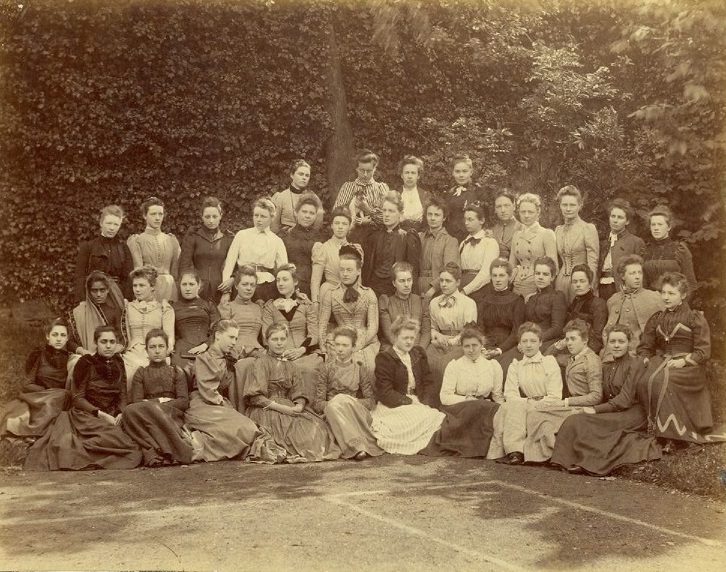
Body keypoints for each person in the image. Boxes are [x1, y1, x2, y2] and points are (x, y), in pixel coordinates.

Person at [25, 326, 142, 471]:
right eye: (103, 342)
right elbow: (77, 398)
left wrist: (120, 412)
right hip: (87, 415)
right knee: (118, 442)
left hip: (113, 414)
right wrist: (100, 414)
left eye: (112, 342)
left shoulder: (118, 362)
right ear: (96, 343)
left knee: (133, 446)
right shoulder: (86, 362)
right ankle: (84, 452)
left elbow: (122, 394)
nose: (108, 346)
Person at [550, 324, 661, 475]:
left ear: (629, 343)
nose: (616, 346)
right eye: (612, 342)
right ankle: (565, 460)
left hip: (633, 413)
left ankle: (589, 463)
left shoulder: (636, 364)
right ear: (607, 343)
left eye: (621, 342)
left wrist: (595, 409)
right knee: (575, 419)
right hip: (613, 409)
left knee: (595, 422)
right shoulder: (608, 365)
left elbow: (625, 399)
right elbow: (603, 395)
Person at [635, 272, 725, 445]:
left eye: (671, 293)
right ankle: (656, 430)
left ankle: (674, 433)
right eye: (663, 293)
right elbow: (645, 346)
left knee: (665, 381)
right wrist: (645, 358)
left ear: (683, 295)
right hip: (663, 361)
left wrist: (684, 361)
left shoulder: (694, 318)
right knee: (644, 380)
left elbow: (703, 351)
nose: (666, 297)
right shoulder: (657, 318)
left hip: (689, 367)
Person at [245, 323, 340, 462]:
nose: (279, 343)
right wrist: (282, 408)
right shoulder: (261, 363)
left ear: (287, 340)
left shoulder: (291, 365)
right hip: (267, 409)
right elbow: (256, 398)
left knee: (318, 428)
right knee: (292, 435)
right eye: (275, 339)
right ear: (267, 341)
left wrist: (299, 406)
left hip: (289, 406)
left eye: (282, 339)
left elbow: (298, 391)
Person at [522, 319, 603, 463]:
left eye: (573, 339)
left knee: (538, 414)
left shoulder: (591, 361)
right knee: (537, 413)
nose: (569, 343)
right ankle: (547, 454)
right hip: (570, 406)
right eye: (567, 339)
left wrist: (566, 402)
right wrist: (560, 344)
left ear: (585, 340)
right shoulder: (571, 358)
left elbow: (596, 396)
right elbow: (547, 356)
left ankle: (549, 455)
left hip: (582, 408)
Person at [184, 320, 263, 462]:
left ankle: (202, 443)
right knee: (246, 429)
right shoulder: (205, 358)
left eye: (236, 338)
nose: (234, 342)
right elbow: (208, 392)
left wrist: (265, 355)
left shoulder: (230, 353)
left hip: (219, 404)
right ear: (218, 335)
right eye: (231, 337)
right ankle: (199, 443)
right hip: (204, 403)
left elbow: (249, 350)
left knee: (247, 429)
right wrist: (226, 405)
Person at [420, 328, 504, 458]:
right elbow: (445, 397)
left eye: (474, 345)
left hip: (485, 407)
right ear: (462, 347)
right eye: (467, 346)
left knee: (493, 410)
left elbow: (497, 396)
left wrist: (504, 409)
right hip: (459, 409)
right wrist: (467, 399)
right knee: (480, 407)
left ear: (482, 345)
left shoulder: (493, 366)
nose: (471, 350)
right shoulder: (455, 366)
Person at [488, 323, 563, 465]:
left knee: (516, 407)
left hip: (548, 406)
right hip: (526, 405)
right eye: (524, 341)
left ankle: (522, 451)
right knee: (510, 406)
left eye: (533, 341)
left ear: (540, 343)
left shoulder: (549, 362)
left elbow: (555, 396)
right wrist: (527, 403)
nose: (529, 345)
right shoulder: (516, 365)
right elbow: (510, 394)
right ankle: (515, 451)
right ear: (520, 344)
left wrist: (531, 403)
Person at [370, 317, 445, 454]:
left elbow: (428, 382)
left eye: (412, 337)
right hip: (394, 405)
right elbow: (385, 393)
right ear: (395, 336)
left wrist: (425, 402)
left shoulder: (419, 353)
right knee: (429, 418)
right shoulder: (385, 358)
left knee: (434, 416)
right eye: (405, 338)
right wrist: (410, 402)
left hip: (418, 401)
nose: (409, 341)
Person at [121, 329, 194, 466]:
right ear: (147, 351)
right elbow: (136, 402)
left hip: (169, 414)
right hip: (147, 413)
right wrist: (158, 402)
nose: (157, 351)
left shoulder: (176, 371)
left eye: (161, 346)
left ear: (167, 349)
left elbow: (184, 402)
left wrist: (153, 404)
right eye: (152, 347)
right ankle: (163, 450)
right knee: (129, 411)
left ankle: (158, 451)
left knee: (144, 412)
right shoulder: (141, 373)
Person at [313, 327, 384, 460]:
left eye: (345, 345)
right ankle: (357, 447)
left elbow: (370, 402)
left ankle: (353, 447)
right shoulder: (326, 369)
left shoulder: (359, 369)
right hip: (332, 412)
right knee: (334, 406)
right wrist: (336, 402)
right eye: (337, 345)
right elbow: (318, 404)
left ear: (353, 347)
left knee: (341, 400)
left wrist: (346, 400)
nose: (340, 349)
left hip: (354, 411)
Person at [0, 319, 72, 445]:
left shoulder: (70, 359)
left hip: (59, 397)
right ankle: (29, 432)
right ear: (47, 336)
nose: (59, 339)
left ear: (67, 339)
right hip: (40, 394)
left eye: (63, 335)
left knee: (62, 395)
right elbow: (28, 383)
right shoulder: (40, 355)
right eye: (55, 335)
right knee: (17, 411)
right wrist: (44, 392)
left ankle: (33, 432)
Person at [261, 264, 322, 397]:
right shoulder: (270, 306)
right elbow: (266, 335)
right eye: (278, 280)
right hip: (279, 353)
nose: (280, 283)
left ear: (295, 282)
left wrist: (301, 350)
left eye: (285, 279)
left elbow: (314, 334)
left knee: (308, 369)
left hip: (304, 353)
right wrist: (280, 352)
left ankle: (308, 409)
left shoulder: (306, 305)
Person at [319, 244, 380, 372]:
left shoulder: (369, 293)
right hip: (340, 340)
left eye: (349, 270)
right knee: (337, 367)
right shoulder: (331, 293)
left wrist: (358, 345)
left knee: (368, 366)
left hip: (365, 340)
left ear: (358, 271)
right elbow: (322, 324)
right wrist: (323, 345)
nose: (345, 274)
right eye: (342, 270)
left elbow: (373, 326)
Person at [427, 263, 477, 407]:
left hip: (460, 343)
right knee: (426, 360)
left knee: (445, 364)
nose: (443, 284)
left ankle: (447, 405)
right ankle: (430, 404)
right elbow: (432, 327)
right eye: (441, 280)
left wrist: (451, 342)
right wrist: (437, 337)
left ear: (458, 282)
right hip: (439, 341)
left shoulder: (468, 303)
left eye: (448, 281)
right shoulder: (434, 303)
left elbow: (468, 332)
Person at [501, 257, 566, 368]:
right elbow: (525, 325)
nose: (540, 277)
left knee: (516, 364)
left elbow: (557, 328)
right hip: (529, 340)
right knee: (504, 360)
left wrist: (535, 340)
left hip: (547, 340)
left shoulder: (557, 297)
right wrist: (522, 340)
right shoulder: (531, 298)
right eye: (537, 273)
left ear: (552, 277)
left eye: (545, 274)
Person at [217, 265, 265, 411]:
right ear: (236, 286)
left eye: (252, 285)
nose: (249, 288)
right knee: (242, 366)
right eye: (245, 284)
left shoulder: (259, 308)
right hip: (234, 353)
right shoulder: (228, 306)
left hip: (258, 351)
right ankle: (241, 412)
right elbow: (223, 336)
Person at [221, 197, 287, 302]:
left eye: (263, 216)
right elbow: (229, 264)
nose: (258, 219)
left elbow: (283, 270)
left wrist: (285, 295)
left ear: (272, 218)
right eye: (256, 215)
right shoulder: (242, 235)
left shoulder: (277, 241)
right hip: (243, 283)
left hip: (266, 286)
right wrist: (226, 292)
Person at [122, 266, 175, 389]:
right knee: (129, 369)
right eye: (135, 286)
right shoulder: (127, 307)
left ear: (152, 287)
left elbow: (169, 339)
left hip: (155, 352)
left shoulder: (164, 308)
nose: (137, 290)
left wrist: (162, 353)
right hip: (131, 353)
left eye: (142, 285)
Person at [545, 264, 608, 367]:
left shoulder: (598, 304)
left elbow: (598, 339)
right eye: (575, 282)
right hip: (570, 345)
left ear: (590, 282)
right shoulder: (575, 302)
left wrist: (576, 356)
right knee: (547, 357)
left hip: (586, 351)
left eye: (582, 281)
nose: (578, 285)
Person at [361, 191, 421, 297]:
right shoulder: (375, 237)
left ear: (400, 214)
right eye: (384, 210)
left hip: (396, 292)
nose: (387, 214)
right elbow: (367, 269)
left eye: (391, 211)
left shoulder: (407, 237)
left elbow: (413, 271)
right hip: (374, 290)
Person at [604, 255, 664, 357]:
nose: (637, 277)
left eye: (639, 273)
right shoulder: (613, 300)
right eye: (632, 273)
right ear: (623, 276)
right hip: (614, 354)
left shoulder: (655, 298)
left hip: (642, 355)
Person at [178, 197, 234, 304]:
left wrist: (231, 283)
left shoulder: (228, 238)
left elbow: (236, 265)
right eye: (207, 217)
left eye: (214, 216)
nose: (211, 220)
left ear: (220, 216)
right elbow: (184, 266)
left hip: (220, 289)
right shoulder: (193, 236)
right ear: (202, 217)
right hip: (197, 289)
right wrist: (189, 287)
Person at [74, 205, 134, 302]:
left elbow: (129, 277)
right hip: (93, 296)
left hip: (117, 297)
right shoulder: (88, 247)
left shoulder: (124, 248)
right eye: (109, 223)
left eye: (116, 224)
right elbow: (79, 276)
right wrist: (82, 301)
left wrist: (127, 299)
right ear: (101, 223)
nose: (112, 228)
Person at [127, 197, 181, 302]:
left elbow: (176, 271)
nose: (157, 218)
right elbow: (138, 272)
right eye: (153, 214)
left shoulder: (171, 240)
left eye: (160, 214)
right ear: (144, 216)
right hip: (148, 290)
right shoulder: (137, 240)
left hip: (170, 288)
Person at [476, 259, 525, 368]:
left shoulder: (517, 301)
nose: (498, 280)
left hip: (507, 347)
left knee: (501, 368)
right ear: (491, 277)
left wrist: (499, 350)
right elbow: (480, 328)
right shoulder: (484, 300)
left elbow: (516, 332)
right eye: (495, 275)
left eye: (502, 275)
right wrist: (483, 348)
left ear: (509, 276)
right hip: (485, 346)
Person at [553, 185, 599, 303]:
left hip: (581, 281)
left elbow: (593, 262)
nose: (568, 209)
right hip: (560, 282)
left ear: (580, 206)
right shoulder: (558, 230)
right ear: (560, 206)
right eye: (564, 205)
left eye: (572, 205)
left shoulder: (588, 228)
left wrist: (591, 285)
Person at [596, 198, 645, 302]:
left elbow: (640, 274)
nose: (615, 220)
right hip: (601, 288)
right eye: (613, 216)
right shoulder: (602, 242)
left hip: (620, 288)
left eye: (620, 217)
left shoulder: (635, 242)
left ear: (627, 221)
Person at [333, 149, 390, 239]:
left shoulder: (381, 188)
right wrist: (356, 220)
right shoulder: (348, 187)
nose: (365, 174)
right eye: (362, 170)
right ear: (356, 169)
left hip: (377, 237)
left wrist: (367, 209)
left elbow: (387, 218)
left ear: (375, 169)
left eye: (369, 171)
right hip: (351, 235)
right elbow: (336, 214)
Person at [642, 205, 698, 295]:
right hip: (650, 302)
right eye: (653, 224)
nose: (656, 228)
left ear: (668, 227)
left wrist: (679, 305)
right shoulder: (645, 250)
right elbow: (642, 283)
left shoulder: (679, 249)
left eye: (660, 224)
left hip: (674, 302)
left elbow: (690, 284)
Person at [509, 193, 557, 297]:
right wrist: (516, 270)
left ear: (538, 212)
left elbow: (553, 267)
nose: (526, 215)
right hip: (518, 284)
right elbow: (511, 264)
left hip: (537, 286)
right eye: (523, 212)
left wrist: (542, 291)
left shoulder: (546, 234)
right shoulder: (516, 235)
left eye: (530, 212)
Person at [68, 271, 125, 355]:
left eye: (102, 290)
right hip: (85, 355)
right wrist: (84, 352)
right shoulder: (79, 312)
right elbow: (70, 341)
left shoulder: (114, 312)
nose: (98, 294)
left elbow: (122, 338)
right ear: (88, 291)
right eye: (94, 291)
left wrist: (113, 350)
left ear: (108, 290)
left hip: (110, 354)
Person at [171, 271, 220, 369]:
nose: (188, 288)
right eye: (184, 284)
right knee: (182, 371)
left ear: (199, 286)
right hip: (182, 350)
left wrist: (206, 345)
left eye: (191, 284)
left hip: (206, 348)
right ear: (179, 286)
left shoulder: (208, 305)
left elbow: (217, 328)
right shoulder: (173, 307)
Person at [281, 194, 326, 296]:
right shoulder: (286, 236)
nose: (307, 216)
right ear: (296, 213)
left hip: (314, 287)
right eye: (304, 211)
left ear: (315, 216)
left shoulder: (320, 238)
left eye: (312, 213)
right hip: (291, 285)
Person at [378, 262, 430, 350]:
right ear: (394, 283)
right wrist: (404, 350)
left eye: (409, 280)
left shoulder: (421, 301)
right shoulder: (387, 302)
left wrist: (420, 350)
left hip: (418, 348)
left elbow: (426, 332)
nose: (406, 284)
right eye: (402, 281)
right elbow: (389, 334)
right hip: (395, 347)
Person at [310, 207, 357, 304]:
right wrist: (315, 302)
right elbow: (315, 280)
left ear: (349, 226)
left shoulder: (355, 249)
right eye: (337, 223)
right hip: (329, 295)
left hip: (350, 296)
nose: (340, 227)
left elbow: (358, 281)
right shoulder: (323, 248)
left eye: (344, 224)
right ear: (331, 225)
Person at [417, 197, 460, 299]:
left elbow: (450, 269)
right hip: (417, 286)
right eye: (430, 214)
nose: (432, 218)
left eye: (437, 215)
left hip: (438, 288)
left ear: (444, 218)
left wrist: (433, 289)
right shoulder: (419, 237)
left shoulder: (450, 241)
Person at [270, 159, 325, 234]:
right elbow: (274, 226)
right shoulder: (281, 197)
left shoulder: (314, 198)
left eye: (307, 175)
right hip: (285, 238)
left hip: (306, 239)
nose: (304, 178)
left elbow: (317, 226)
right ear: (292, 175)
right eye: (301, 174)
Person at [459, 205, 500, 302]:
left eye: (470, 219)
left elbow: (486, 273)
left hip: (481, 291)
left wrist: (465, 291)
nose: (466, 223)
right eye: (465, 219)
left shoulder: (489, 242)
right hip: (461, 288)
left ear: (481, 221)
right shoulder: (463, 243)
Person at [443, 154, 487, 241]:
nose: (461, 175)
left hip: (472, 235)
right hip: (452, 236)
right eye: (457, 171)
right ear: (453, 173)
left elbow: (486, 215)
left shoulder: (478, 191)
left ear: (471, 172)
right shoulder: (450, 193)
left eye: (464, 171)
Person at [397, 155, 431, 231]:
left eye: (413, 173)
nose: (409, 176)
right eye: (407, 173)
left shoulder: (426, 195)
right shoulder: (395, 195)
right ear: (402, 175)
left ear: (418, 176)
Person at [490, 190, 523, 261]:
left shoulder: (522, 228)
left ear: (514, 207)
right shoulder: (492, 231)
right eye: (499, 206)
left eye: (506, 205)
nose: (503, 210)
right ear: (495, 210)